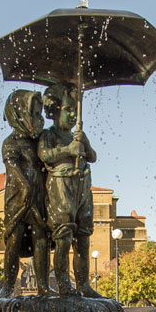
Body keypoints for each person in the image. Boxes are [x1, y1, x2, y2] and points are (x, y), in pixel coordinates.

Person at [38, 83, 101, 297]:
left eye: (75, 110)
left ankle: (83, 283)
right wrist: (67, 150)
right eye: (68, 110)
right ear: (54, 111)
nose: (73, 114)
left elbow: (92, 157)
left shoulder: (78, 135)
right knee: (64, 233)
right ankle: (64, 282)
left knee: (83, 234)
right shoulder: (49, 133)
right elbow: (44, 155)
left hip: (82, 185)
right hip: (61, 184)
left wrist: (85, 144)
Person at [0, 89, 50, 297]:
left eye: (39, 114)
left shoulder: (41, 142)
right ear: (19, 115)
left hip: (38, 196)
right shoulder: (10, 143)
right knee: (14, 239)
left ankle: (43, 286)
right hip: (17, 197)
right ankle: (8, 286)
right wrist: (25, 185)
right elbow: (13, 167)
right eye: (34, 114)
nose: (39, 119)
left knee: (41, 238)